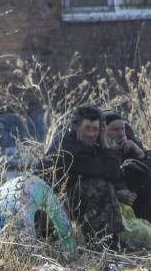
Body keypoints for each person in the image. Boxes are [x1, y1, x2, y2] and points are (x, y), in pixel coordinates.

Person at [40, 104, 124, 248]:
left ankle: (113, 240)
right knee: (100, 186)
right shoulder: (72, 149)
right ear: (76, 127)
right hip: (49, 206)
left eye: (96, 130)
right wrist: (104, 142)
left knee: (105, 186)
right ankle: (100, 243)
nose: (92, 134)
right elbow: (112, 173)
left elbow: (115, 172)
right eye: (87, 129)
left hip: (63, 198)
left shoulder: (77, 140)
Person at [102, 110, 151, 225]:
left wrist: (141, 154)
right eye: (115, 130)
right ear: (103, 132)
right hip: (107, 201)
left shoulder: (128, 138)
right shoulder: (94, 146)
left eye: (122, 129)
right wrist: (117, 194)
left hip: (131, 199)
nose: (121, 133)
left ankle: (142, 231)